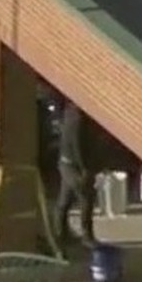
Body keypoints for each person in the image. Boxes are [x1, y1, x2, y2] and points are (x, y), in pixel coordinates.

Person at [54, 100, 98, 247]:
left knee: (65, 200)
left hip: (65, 162)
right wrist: (85, 168)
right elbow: (77, 145)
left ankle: (60, 234)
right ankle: (86, 236)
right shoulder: (79, 119)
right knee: (86, 198)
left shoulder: (69, 114)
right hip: (75, 165)